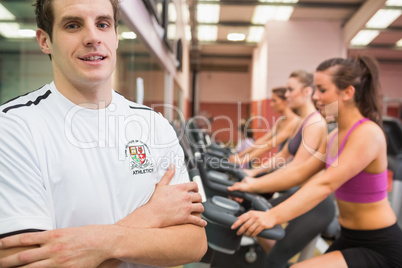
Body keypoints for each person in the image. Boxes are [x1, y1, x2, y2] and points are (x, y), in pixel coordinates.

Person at [0, 0, 207, 267]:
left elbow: (194, 242)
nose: (93, 37)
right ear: (45, 40)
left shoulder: (153, 124)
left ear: (116, 36)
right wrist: (150, 216)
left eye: (102, 24)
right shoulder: (14, 127)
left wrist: (99, 245)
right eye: (73, 25)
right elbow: (28, 262)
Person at [230, 56, 402, 268]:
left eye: (322, 90)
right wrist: (249, 184)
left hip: (379, 244)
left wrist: (272, 216)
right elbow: (300, 172)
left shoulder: (367, 134)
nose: (316, 97)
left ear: (348, 92)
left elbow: (325, 183)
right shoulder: (334, 136)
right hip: (349, 237)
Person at [229, 70, 335, 268]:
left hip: (315, 203)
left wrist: (255, 183)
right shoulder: (302, 122)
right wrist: (252, 172)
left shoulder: (315, 123)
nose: (286, 95)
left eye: (290, 90)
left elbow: (296, 168)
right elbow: (282, 156)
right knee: (253, 212)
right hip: (302, 194)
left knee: (276, 259)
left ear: (306, 92)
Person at [229, 87, 300, 168]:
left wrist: (243, 160)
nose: (271, 104)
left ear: (285, 101)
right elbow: (262, 140)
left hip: (289, 165)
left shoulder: (294, 121)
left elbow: (269, 144)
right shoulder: (281, 121)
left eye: (274, 100)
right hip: (279, 162)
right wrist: (239, 155)